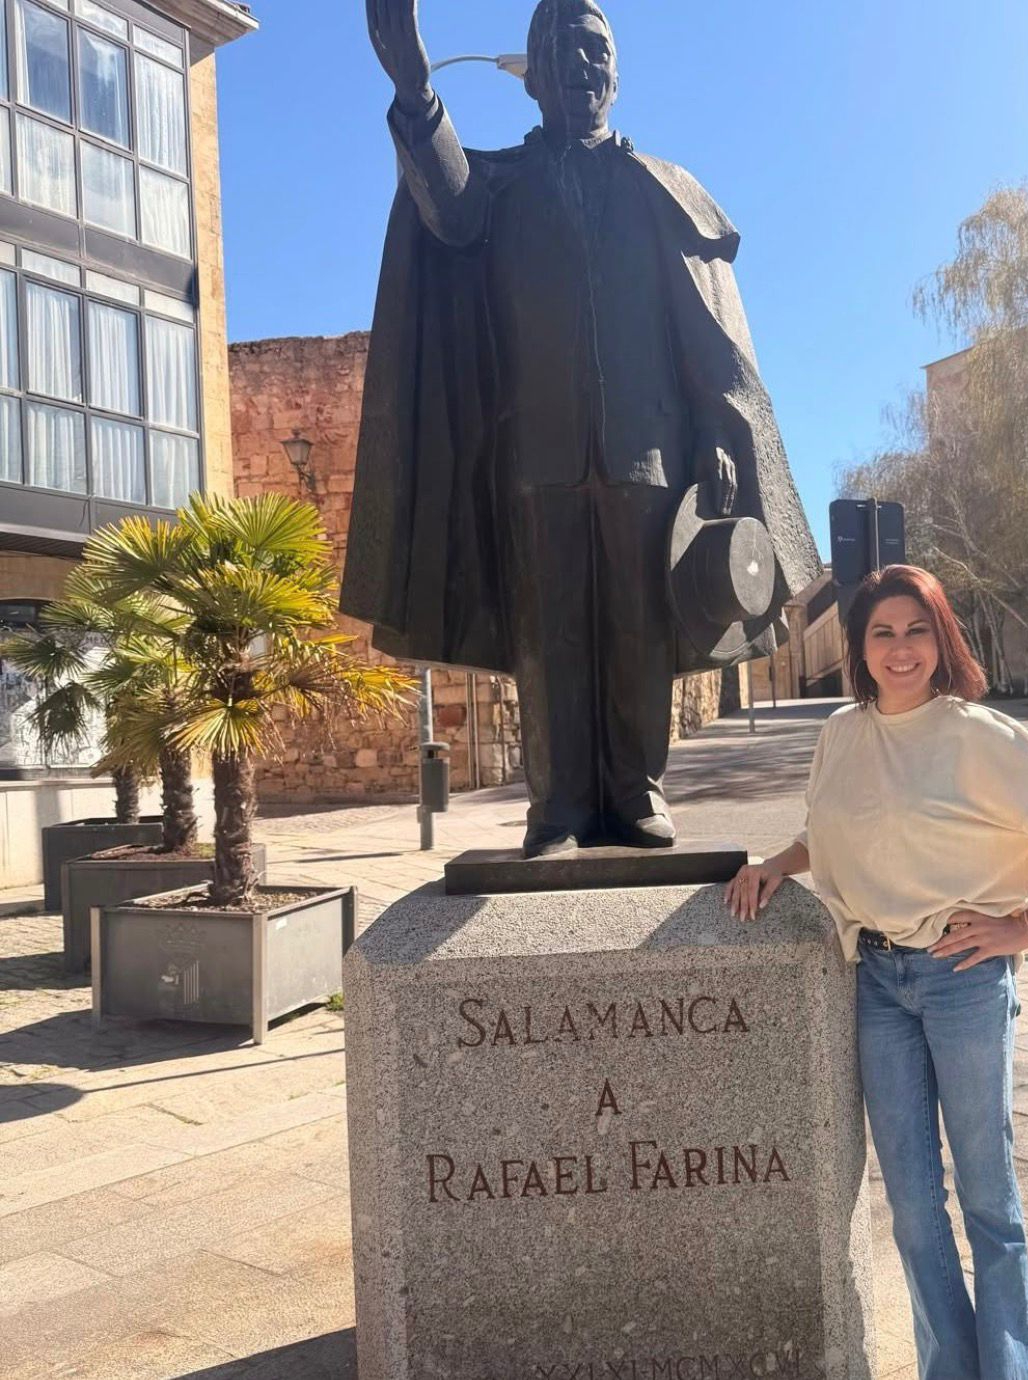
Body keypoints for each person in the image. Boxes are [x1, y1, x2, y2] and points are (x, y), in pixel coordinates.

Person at [342, 0, 817, 858]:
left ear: (616, 71)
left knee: (638, 628)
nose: (581, 66)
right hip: (538, 454)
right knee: (547, 632)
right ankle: (556, 807)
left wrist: (716, 430)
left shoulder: (655, 189)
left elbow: (699, 334)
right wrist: (416, 89)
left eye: (596, 50)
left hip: (650, 452)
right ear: (534, 79)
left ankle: (637, 791)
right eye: (562, 52)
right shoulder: (502, 188)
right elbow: (445, 207)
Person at [724, 564, 1028, 1380]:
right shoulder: (842, 732)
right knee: (912, 1206)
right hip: (875, 981)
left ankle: (1008, 1368)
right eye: (883, 632)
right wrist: (777, 863)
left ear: (940, 640)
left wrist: (1026, 925)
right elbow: (836, 829)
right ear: (861, 647)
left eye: (917, 630)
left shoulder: (974, 733)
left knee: (988, 1199)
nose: (900, 648)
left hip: (962, 976)